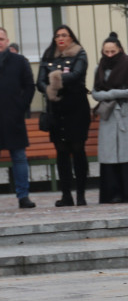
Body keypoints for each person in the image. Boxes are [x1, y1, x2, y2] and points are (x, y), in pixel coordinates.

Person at [37, 25, 90, 207]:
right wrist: (49, 88)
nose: (60, 38)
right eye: (57, 35)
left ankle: (81, 194)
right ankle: (66, 194)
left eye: (64, 35)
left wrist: (55, 81)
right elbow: (40, 82)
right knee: (61, 152)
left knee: (77, 150)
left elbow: (76, 75)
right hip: (56, 109)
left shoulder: (79, 53)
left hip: (76, 108)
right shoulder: (48, 55)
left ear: (71, 37)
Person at [92, 32, 128, 204]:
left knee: (127, 154)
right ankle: (112, 194)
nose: (109, 55)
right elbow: (95, 93)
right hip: (108, 116)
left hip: (125, 112)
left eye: (112, 51)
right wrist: (105, 96)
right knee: (110, 155)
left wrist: (113, 93)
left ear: (119, 49)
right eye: (106, 52)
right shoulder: (98, 68)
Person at [0, 27, 36, 209]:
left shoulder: (19, 61)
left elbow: (29, 86)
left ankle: (23, 196)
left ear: (7, 40)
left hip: (13, 116)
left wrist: (21, 106)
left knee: (19, 157)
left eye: (1, 38)